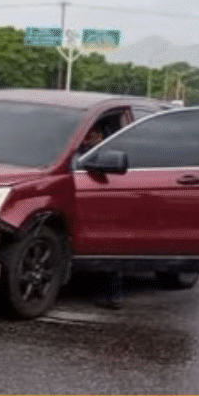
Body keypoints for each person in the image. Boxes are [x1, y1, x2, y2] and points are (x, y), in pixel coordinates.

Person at [75, 124, 125, 309]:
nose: (90, 138)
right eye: (87, 134)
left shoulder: (107, 153)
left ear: (102, 136)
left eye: (94, 134)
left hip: (108, 211)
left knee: (110, 250)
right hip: (85, 208)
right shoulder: (74, 149)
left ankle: (113, 295)